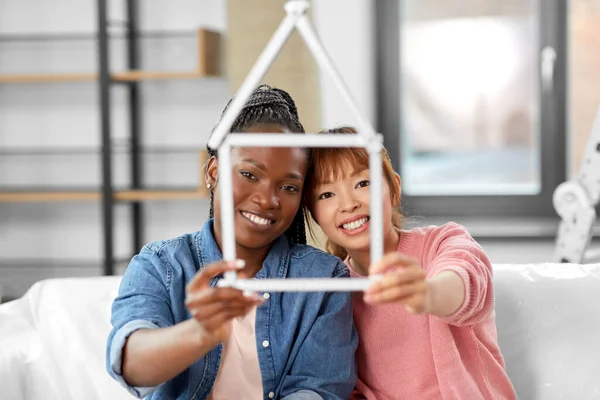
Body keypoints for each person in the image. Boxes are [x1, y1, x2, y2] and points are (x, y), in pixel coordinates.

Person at [106, 86, 357, 400]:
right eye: (250, 175)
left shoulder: (324, 280)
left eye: (289, 187)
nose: (268, 199)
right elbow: (132, 366)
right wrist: (199, 333)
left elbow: (318, 390)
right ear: (214, 173)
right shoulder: (160, 265)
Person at [304, 126, 516, 399]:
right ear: (314, 213)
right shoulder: (333, 292)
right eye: (327, 194)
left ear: (394, 189)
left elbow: (468, 280)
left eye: (362, 183)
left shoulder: (442, 242)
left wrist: (430, 294)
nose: (348, 204)